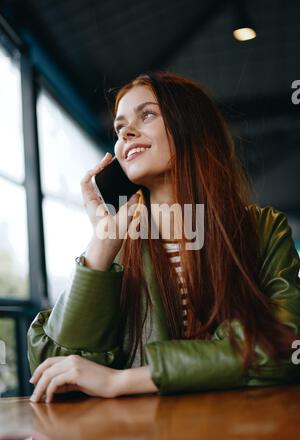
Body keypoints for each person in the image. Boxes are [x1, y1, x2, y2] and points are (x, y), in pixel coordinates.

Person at [27, 71, 300, 403]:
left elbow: (284, 347)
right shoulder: (117, 241)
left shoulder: (265, 229)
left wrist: (121, 381)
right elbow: (52, 372)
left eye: (147, 114)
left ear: (190, 127)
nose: (126, 132)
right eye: (119, 127)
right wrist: (102, 243)